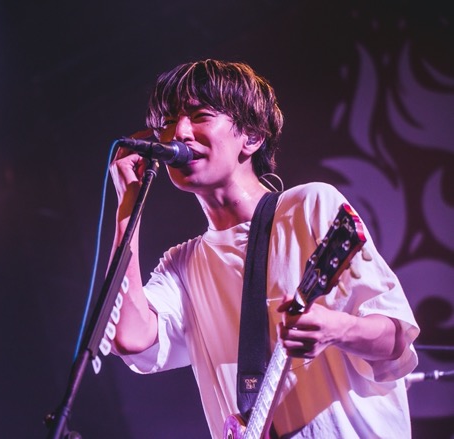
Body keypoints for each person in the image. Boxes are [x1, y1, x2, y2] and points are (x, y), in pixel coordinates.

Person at [108, 59, 419, 438]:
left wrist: (338, 328)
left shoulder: (309, 206)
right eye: (168, 122)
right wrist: (127, 206)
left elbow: (396, 339)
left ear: (252, 137)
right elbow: (129, 337)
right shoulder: (183, 264)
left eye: (200, 116)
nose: (180, 132)